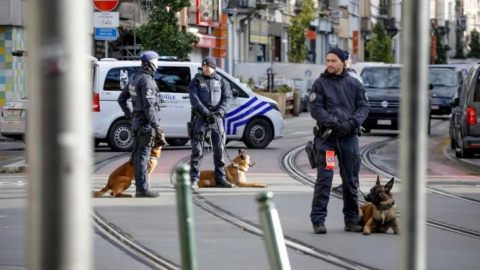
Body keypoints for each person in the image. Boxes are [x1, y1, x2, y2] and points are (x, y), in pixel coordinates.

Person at [309, 48, 370, 234]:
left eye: (333, 61)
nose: (329, 64)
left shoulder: (355, 84)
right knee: (325, 178)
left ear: (343, 63)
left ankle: (351, 220)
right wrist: (335, 124)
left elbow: (364, 107)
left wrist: (351, 123)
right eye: (327, 60)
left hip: (348, 139)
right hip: (327, 140)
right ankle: (318, 220)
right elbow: (316, 109)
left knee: (351, 180)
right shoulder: (319, 84)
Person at [117, 50, 166, 198]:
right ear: (151, 63)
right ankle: (142, 189)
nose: (157, 66)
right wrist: (157, 127)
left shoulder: (134, 78)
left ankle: (141, 187)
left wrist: (130, 115)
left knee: (138, 155)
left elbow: (121, 99)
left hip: (137, 122)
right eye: (156, 63)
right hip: (145, 124)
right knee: (144, 156)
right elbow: (149, 107)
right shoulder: (147, 81)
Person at [188, 56, 234, 190]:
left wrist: (218, 113)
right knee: (197, 149)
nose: (205, 68)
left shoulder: (222, 82)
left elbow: (227, 98)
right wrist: (206, 113)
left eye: (208, 66)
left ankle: (220, 178)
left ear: (214, 67)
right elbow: (194, 99)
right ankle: (194, 179)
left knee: (219, 149)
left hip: (217, 118)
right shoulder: (195, 81)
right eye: (204, 66)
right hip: (201, 118)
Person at [332, 50, 365, 194]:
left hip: (347, 126)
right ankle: (346, 182)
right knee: (341, 157)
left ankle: (351, 183)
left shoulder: (353, 78)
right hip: (337, 125)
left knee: (350, 157)